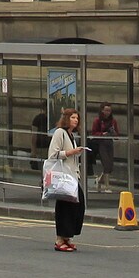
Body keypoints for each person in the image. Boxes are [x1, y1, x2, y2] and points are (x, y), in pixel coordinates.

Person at [46, 108, 88, 252]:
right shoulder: (59, 133)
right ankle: (60, 239)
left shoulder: (70, 135)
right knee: (65, 208)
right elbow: (53, 154)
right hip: (63, 177)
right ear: (66, 119)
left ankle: (67, 237)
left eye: (77, 118)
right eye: (73, 117)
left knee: (77, 206)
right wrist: (72, 152)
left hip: (72, 176)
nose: (76, 120)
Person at [89, 104, 118, 193]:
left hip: (109, 143)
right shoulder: (97, 121)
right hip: (101, 143)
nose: (107, 112)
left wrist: (113, 132)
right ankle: (107, 186)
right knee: (106, 164)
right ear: (102, 110)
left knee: (110, 166)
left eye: (109, 110)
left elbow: (117, 135)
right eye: (106, 110)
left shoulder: (113, 121)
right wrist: (102, 134)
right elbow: (93, 133)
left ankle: (99, 180)